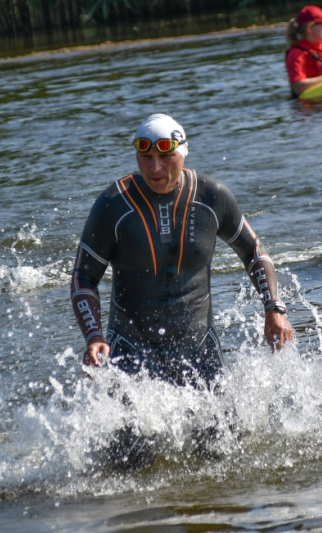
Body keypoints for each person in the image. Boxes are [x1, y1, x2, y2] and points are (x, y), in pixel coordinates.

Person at [70, 113, 294, 388]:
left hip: (199, 348)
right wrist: (93, 337)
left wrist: (274, 308)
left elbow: (254, 253)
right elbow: (84, 277)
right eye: (146, 157)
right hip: (131, 352)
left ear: (183, 153)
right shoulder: (113, 205)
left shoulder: (211, 197)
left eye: (165, 157)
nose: (155, 167)